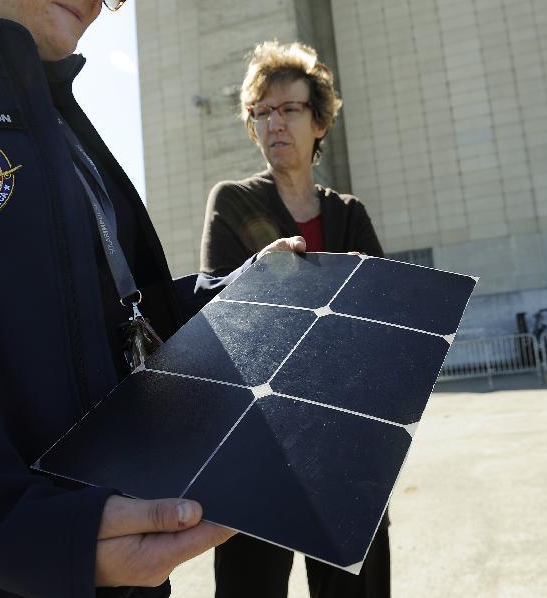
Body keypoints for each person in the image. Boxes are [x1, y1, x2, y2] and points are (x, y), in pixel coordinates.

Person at [0, 1, 306, 596]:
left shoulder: (63, 127)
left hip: (120, 568)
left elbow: (126, 315)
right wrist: (37, 534)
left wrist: (238, 289)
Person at [200, 41, 389, 598]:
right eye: (261, 111)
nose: (273, 123)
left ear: (320, 121)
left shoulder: (348, 214)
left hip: (343, 434)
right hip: (259, 438)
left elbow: (380, 314)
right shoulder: (233, 201)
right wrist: (259, 270)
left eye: (289, 109)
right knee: (251, 586)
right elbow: (213, 302)